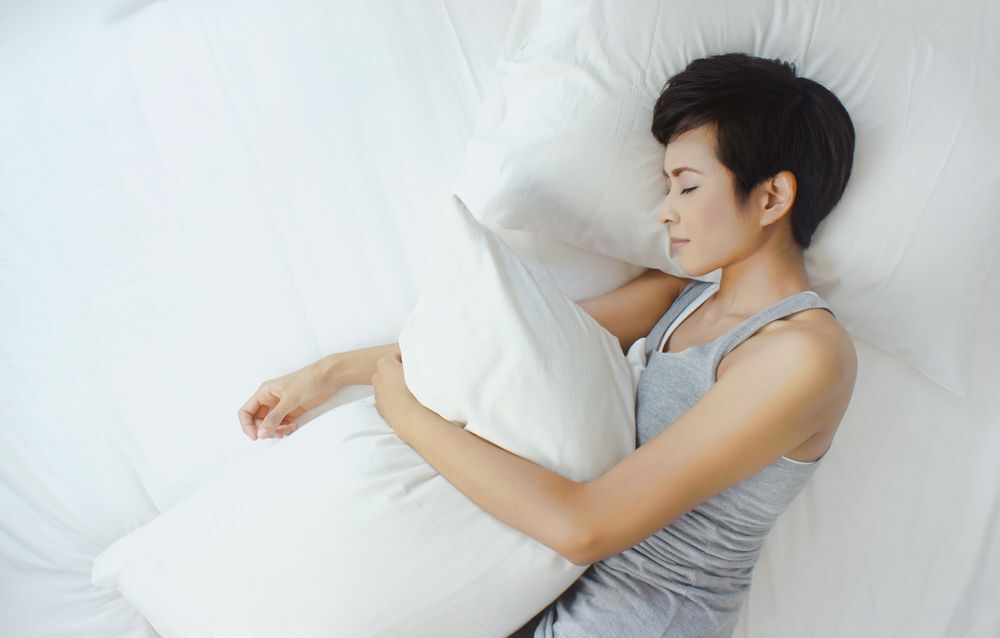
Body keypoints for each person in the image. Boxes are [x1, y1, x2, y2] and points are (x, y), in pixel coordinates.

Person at [237, 51, 857, 637]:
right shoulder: (681, 297)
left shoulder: (804, 355)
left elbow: (584, 526)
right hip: (540, 595)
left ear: (772, 196)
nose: (665, 211)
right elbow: (501, 346)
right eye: (667, 187)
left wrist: (405, 413)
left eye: (687, 187)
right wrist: (332, 371)